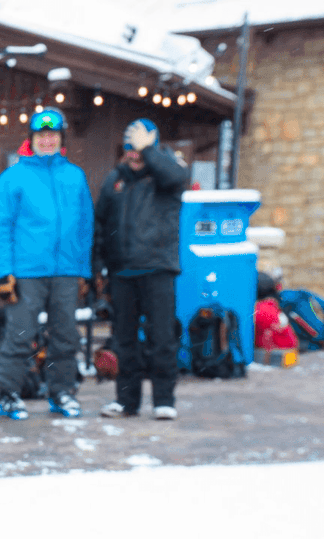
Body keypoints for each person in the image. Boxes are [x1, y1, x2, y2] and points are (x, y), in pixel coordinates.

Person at [0, 107, 94, 420]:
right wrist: (4, 272)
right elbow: (1, 226)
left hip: (67, 271)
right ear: (31, 140)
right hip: (26, 271)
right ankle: (7, 394)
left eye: (53, 135)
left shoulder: (75, 176)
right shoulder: (13, 177)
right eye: (41, 135)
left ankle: (61, 392)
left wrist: (84, 271)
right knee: (20, 334)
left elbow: (86, 226)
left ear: (60, 139)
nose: (47, 140)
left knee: (65, 337)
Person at [92, 118, 191, 420]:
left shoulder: (165, 176)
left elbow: (177, 177)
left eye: (139, 149)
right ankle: (126, 401)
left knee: (162, 337)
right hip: (122, 273)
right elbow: (100, 226)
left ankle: (164, 400)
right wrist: (99, 268)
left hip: (158, 268)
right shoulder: (114, 181)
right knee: (124, 341)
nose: (134, 156)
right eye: (130, 150)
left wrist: (149, 150)